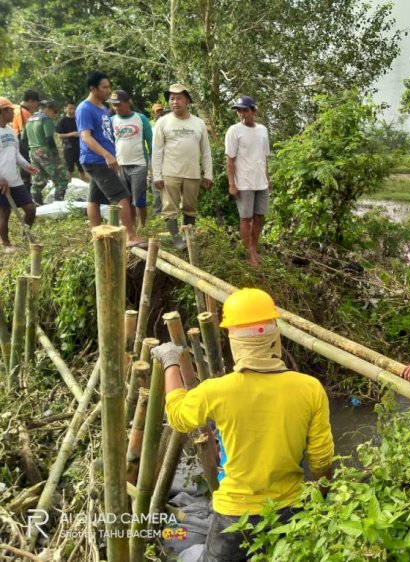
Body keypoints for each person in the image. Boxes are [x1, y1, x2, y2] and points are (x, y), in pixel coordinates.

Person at [152, 288, 334, 562]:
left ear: (233, 340)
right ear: (274, 336)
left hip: (235, 515)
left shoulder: (217, 390)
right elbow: (321, 461)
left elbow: (177, 415)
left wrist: (170, 362)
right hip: (290, 509)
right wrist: (320, 501)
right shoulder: (310, 388)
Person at [75, 70, 144, 247]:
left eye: (108, 86)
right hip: (96, 160)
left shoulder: (103, 108)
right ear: (93, 88)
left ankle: (96, 233)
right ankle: (130, 236)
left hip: (103, 159)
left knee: (94, 197)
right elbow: (86, 137)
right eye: (104, 87)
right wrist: (106, 155)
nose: (108, 90)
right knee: (122, 195)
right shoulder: (84, 108)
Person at [152, 83, 213, 250]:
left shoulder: (198, 123)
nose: (175, 102)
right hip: (170, 171)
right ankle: (177, 239)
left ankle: (187, 237)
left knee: (190, 208)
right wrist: (157, 175)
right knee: (169, 208)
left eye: (179, 98)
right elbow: (156, 151)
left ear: (187, 100)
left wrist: (209, 174)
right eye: (172, 99)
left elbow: (206, 151)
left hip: (192, 172)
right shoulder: (163, 122)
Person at [225, 96, 270, 266]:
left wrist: (268, 178)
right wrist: (232, 184)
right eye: (239, 110)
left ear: (253, 110)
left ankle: (254, 247)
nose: (241, 114)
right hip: (243, 182)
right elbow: (230, 159)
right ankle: (248, 252)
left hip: (261, 182)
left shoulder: (263, 130)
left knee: (259, 216)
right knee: (246, 218)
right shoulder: (234, 131)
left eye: (245, 110)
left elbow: (265, 157)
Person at [0, 97, 38, 253]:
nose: (14, 113)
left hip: (14, 179)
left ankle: (25, 236)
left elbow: (15, 154)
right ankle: (6, 244)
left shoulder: (10, 131)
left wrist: (27, 165)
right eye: (11, 110)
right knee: (4, 213)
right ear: (3, 111)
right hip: (1, 182)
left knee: (30, 209)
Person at [110, 90, 153, 228]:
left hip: (139, 163)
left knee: (138, 198)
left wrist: (154, 165)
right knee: (125, 198)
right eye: (113, 105)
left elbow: (151, 142)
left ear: (128, 102)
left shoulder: (140, 118)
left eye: (119, 104)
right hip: (121, 164)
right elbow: (110, 142)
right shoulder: (112, 120)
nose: (116, 108)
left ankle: (142, 225)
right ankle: (130, 225)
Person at [22, 100, 68, 203]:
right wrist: (56, 155)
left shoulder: (29, 119)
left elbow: (23, 139)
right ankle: (58, 205)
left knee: (38, 180)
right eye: (54, 111)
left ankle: (37, 204)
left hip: (33, 152)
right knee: (61, 179)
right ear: (48, 109)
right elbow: (49, 139)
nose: (54, 114)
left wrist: (31, 150)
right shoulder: (46, 119)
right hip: (46, 151)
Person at [11, 90, 40, 193]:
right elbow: (25, 131)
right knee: (26, 170)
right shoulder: (24, 112)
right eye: (36, 103)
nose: (36, 106)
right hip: (22, 141)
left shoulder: (15, 109)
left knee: (23, 169)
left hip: (15, 140)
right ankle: (27, 195)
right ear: (31, 101)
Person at [55, 100, 87, 182]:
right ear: (65, 109)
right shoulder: (62, 121)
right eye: (70, 108)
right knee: (69, 169)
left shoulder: (78, 119)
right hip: (68, 147)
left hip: (80, 147)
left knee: (82, 168)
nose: (72, 110)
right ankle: (68, 186)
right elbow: (59, 135)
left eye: (74, 109)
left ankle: (85, 186)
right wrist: (72, 134)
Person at [148, 103, 165, 216]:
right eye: (157, 111)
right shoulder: (150, 125)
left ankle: (169, 210)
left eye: (161, 110)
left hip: (168, 156)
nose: (159, 113)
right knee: (156, 182)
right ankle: (157, 212)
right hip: (153, 155)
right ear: (153, 113)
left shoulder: (168, 122)